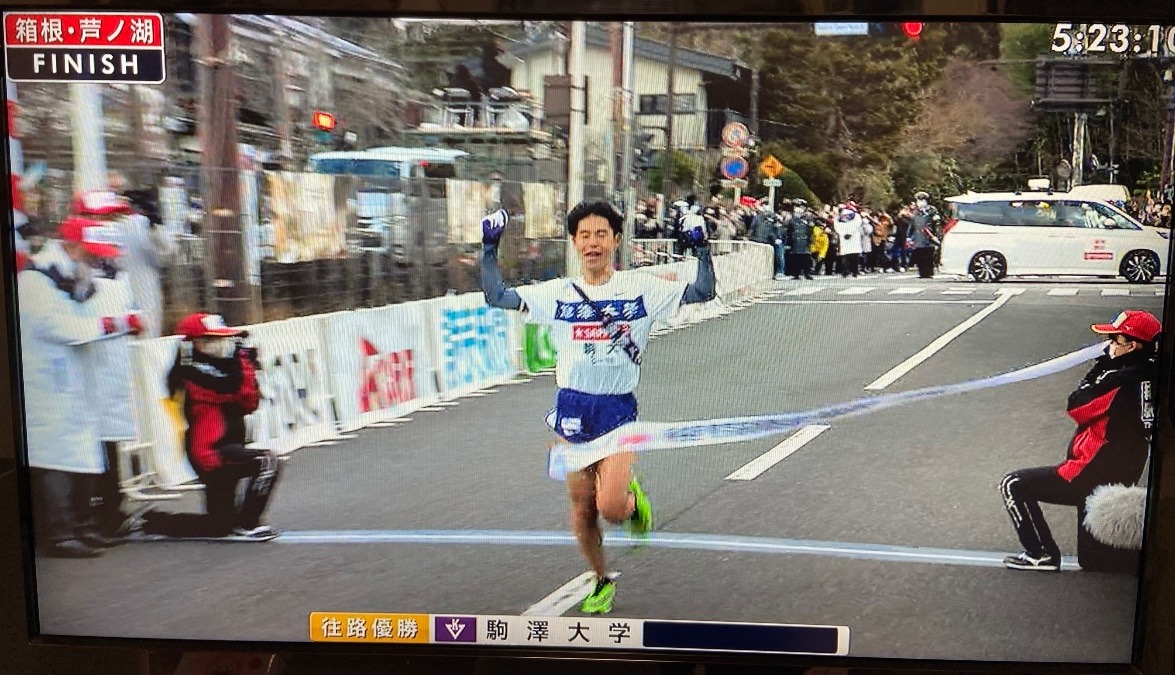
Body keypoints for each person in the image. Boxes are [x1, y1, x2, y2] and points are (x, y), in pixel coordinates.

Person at [480, 200, 716, 614]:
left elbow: (703, 291)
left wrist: (701, 249)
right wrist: (488, 245)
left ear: (616, 240)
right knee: (582, 508)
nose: (593, 243)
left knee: (609, 507)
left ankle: (629, 499)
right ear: (574, 242)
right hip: (571, 410)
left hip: (617, 412)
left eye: (601, 235)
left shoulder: (642, 287)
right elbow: (497, 296)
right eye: (585, 235)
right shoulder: (557, 293)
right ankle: (600, 579)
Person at [1000, 310, 1160, 572]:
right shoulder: (1152, 374)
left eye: (1114, 340)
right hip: (1121, 472)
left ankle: (1040, 554)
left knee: (1013, 484)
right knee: (1094, 560)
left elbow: (1077, 406)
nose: (1109, 345)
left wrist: (1100, 366)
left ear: (1132, 345)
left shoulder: (1118, 379)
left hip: (1089, 472)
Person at [20, 217, 143, 558]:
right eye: (90, 255)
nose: (94, 263)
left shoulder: (63, 278)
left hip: (71, 381)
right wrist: (113, 323)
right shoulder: (33, 281)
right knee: (57, 456)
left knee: (83, 450)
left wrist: (118, 323)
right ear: (71, 248)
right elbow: (59, 327)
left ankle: (82, 525)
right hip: (45, 383)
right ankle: (60, 533)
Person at [136, 314, 281, 541]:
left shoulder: (224, 366)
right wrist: (243, 362)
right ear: (195, 343)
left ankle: (151, 521)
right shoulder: (191, 371)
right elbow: (229, 388)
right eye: (211, 341)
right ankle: (248, 524)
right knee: (267, 462)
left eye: (222, 340)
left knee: (219, 525)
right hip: (210, 452)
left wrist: (245, 364)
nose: (221, 346)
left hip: (229, 445)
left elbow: (249, 402)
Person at [72, 189, 176, 338]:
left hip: (141, 326)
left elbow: (168, 253)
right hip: (97, 332)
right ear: (85, 218)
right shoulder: (75, 248)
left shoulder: (135, 228)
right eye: (105, 216)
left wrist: (155, 225)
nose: (112, 222)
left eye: (116, 215)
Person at [908, 191, 940, 279]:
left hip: (929, 237)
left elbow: (936, 223)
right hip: (918, 237)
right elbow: (912, 224)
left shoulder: (932, 210)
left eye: (922, 199)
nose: (920, 201)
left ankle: (929, 272)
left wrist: (936, 235)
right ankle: (922, 272)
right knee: (920, 256)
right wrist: (909, 237)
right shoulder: (915, 212)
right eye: (919, 199)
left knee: (929, 255)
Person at [785, 199, 816, 280]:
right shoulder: (791, 218)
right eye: (796, 207)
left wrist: (811, 240)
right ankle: (796, 273)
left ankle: (807, 273)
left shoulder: (808, 218)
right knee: (795, 258)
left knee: (805, 258)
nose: (798, 209)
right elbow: (788, 230)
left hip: (805, 240)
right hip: (794, 240)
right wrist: (788, 242)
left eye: (800, 207)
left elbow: (811, 230)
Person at [833, 206, 864, 278]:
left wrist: (843, 234)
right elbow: (857, 224)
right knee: (854, 256)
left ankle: (846, 271)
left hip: (844, 238)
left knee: (845, 256)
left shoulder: (838, 217)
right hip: (854, 237)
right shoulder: (856, 215)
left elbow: (836, 226)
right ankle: (854, 272)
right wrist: (850, 233)